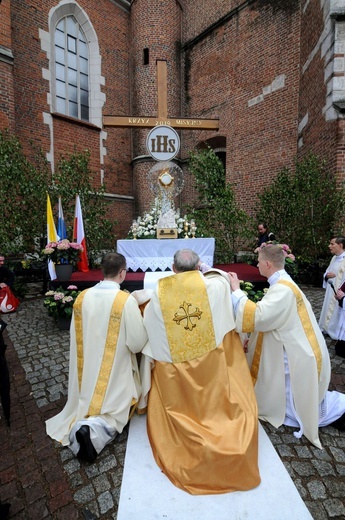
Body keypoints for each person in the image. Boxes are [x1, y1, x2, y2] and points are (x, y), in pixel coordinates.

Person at [137, 249, 260, 495]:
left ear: (173, 268)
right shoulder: (215, 287)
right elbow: (223, 280)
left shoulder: (160, 294)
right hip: (210, 360)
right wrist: (207, 269)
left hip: (177, 368)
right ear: (197, 267)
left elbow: (150, 325)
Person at [228, 244, 345, 449]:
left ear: (267, 263)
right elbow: (271, 316)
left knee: (297, 400)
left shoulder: (282, 289)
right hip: (293, 344)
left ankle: (336, 413)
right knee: (285, 389)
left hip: (297, 354)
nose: (256, 265)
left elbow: (258, 316)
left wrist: (237, 291)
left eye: (258, 262)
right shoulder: (282, 281)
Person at [46, 252, 148, 462]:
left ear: (102, 271)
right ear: (122, 273)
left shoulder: (82, 297)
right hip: (114, 370)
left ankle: (84, 420)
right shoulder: (124, 301)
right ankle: (92, 432)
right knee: (116, 410)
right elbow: (137, 343)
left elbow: (76, 335)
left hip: (87, 369)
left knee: (89, 401)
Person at [319, 236, 345, 341]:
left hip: (340, 293)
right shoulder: (334, 258)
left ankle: (335, 330)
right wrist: (326, 276)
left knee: (338, 313)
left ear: (341, 245)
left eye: (332, 244)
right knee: (327, 309)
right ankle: (326, 327)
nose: (329, 246)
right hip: (331, 291)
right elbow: (327, 271)